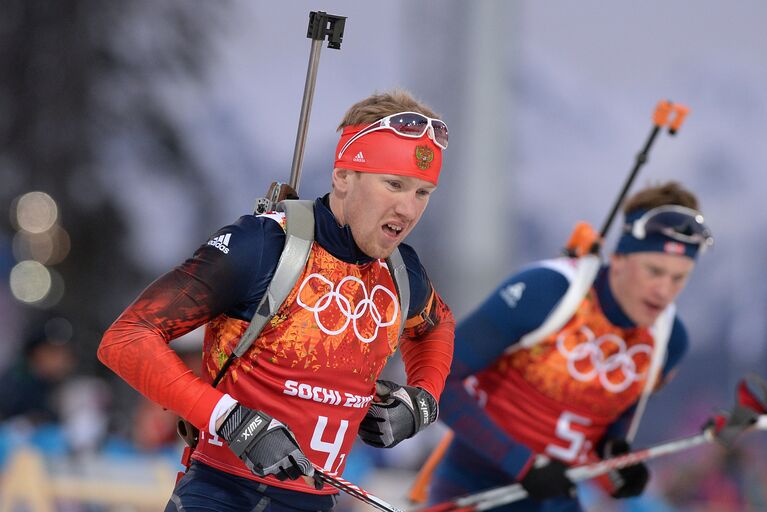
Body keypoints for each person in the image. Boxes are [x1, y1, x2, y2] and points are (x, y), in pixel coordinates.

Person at [98, 89, 455, 511]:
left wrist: (422, 401)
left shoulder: (401, 272)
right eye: (393, 184)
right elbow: (126, 338)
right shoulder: (266, 245)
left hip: (318, 501)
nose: (408, 209)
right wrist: (228, 419)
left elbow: (437, 328)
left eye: (422, 192)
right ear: (343, 176)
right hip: (221, 494)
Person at [428, 182, 713, 511]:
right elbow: (440, 380)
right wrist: (522, 462)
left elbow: (608, 432)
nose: (664, 291)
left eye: (679, 278)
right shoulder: (549, 291)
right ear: (619, 258)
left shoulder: (669, 340)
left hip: (556, 498)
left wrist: (618, 467)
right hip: (476, 489)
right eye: (654, 271)